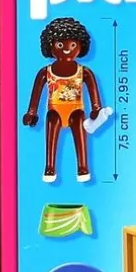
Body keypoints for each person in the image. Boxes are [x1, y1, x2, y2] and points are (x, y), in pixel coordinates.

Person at [22, 18, 103, 182]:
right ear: (50, 46)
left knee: (79, 130)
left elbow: (93, 90)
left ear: (81, 46)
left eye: (72, 45)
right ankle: (49, 167)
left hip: (76, 110)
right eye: (60, 45)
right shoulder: (46, 72)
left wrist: (96, 108)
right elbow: (36, 93)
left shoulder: (83, 72)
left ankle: (83, 167)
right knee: (51, 127)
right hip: (55, 110)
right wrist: (32, 112)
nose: (66, 49)